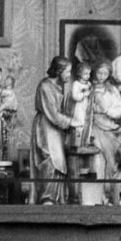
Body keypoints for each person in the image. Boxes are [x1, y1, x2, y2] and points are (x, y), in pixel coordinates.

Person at [29, 56, 74, 205]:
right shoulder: (45, 86)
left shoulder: (58, 86)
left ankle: (54, 198)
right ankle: (47, 198)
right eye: (67, 72)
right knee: (49, 160)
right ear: (59, 71)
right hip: (45, 128)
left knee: (59, 162)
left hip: (54, 130)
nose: (69, 75)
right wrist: (71, 122)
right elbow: (53, 114)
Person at [86, 60, 121, 203]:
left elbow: (118, 111)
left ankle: (110, 194)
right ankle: (99, 194)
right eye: (99, 73)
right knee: (97, 161)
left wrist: (106, 109)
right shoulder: (89, 88)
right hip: (94, 127)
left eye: (105, 73)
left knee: (111, 162)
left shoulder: (112, 90)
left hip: (109, 129)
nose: (102, 76)